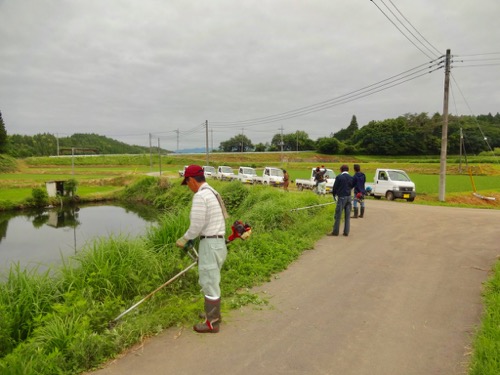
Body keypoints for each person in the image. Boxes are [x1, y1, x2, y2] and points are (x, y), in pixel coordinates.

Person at [176, 165, 227, 333]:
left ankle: (211, 323)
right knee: (213, 279)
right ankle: (212, 315)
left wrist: (184, 239)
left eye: (187, 183)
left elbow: (197, 225)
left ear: (191, 180)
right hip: (218, 243)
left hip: (210, 244)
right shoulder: (213, 192)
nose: (188, 187)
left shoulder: (200, 196)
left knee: (209, 282)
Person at [329, 164, 353, 236]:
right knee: (347, 215)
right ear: (348, 170)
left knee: (338, 214)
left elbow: (335, 187)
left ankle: (335, 232)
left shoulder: (339, 177)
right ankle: (346, 232)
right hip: (349, 197)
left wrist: (334, 195)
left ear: (341, 170)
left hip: (341, 197)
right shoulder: (351, 177)